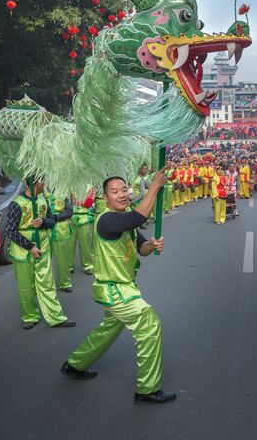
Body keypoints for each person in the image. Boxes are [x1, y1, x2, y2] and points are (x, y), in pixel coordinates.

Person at [61, 171, 176, 404]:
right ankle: (147, 389)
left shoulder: (125, 221)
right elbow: (138, 217)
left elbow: (141, 247)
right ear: (104, 197)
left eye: (124, 190)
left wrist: (152, 245)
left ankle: (75, 364)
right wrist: (154, 186)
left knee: (108, 329)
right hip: (116, 291)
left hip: (120, 288)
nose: (122, 194)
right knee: (150, 324)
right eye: (115, 192)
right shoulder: (107, 220)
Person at [6, 180, 76, 329]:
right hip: (23, 251)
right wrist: (30, 246)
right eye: (42, 181)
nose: (45, 184)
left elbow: (51, 220)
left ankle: (56, 316)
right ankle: (29, 315)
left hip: (43, 246)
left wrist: (43, 222)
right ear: (35, 183)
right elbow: (10, 231)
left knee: (47, 282)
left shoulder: (43, 199)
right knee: (26, 286)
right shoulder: (16, 204)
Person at [47, 193, 76, 292]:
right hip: (44, 231)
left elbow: (69, 212)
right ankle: (46, 285)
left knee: (63, 259)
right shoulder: (40, 193)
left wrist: (54, 218)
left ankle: (65, 284)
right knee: (44, 261)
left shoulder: (64, 192)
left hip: (61, 230)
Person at [73, 187, 95, 275]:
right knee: (70, 244)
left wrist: (77, 201)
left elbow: (89, 202)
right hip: (70, 218)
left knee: (85, 243)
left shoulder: (89, 186)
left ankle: (88, 265)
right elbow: (67, 202)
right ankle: (69, 266)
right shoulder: (68, 184)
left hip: (84, 218)